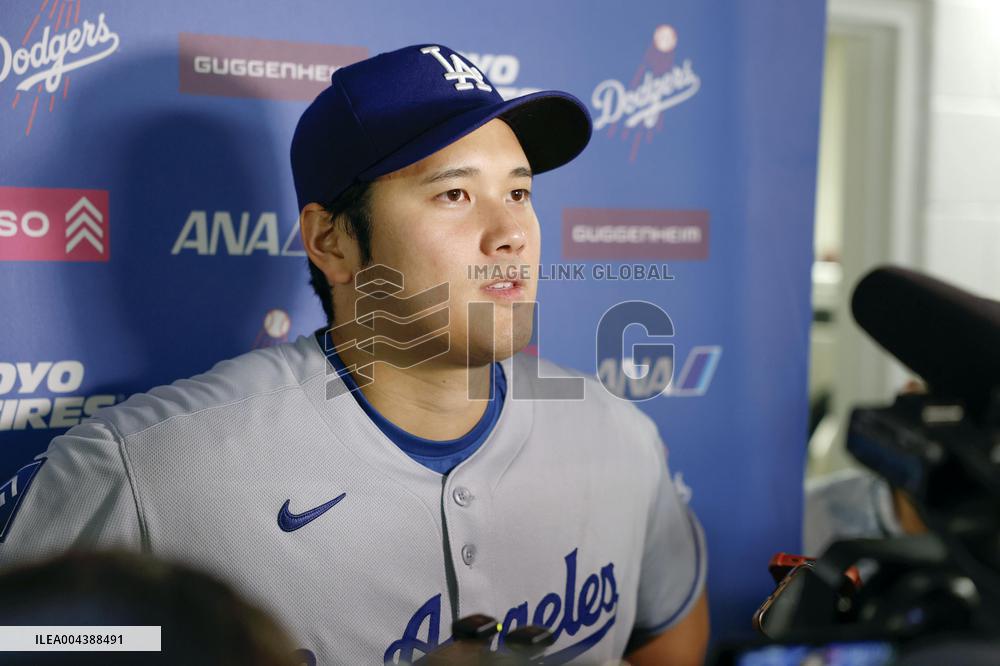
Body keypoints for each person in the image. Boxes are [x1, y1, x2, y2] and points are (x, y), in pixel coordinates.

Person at [0, 44, 708, 665]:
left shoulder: (617, 434)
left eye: (519, 191)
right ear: (331, 241)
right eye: (455, 193)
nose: (511, 234)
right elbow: (33, 641)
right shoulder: (142, 471)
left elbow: (671, 645)